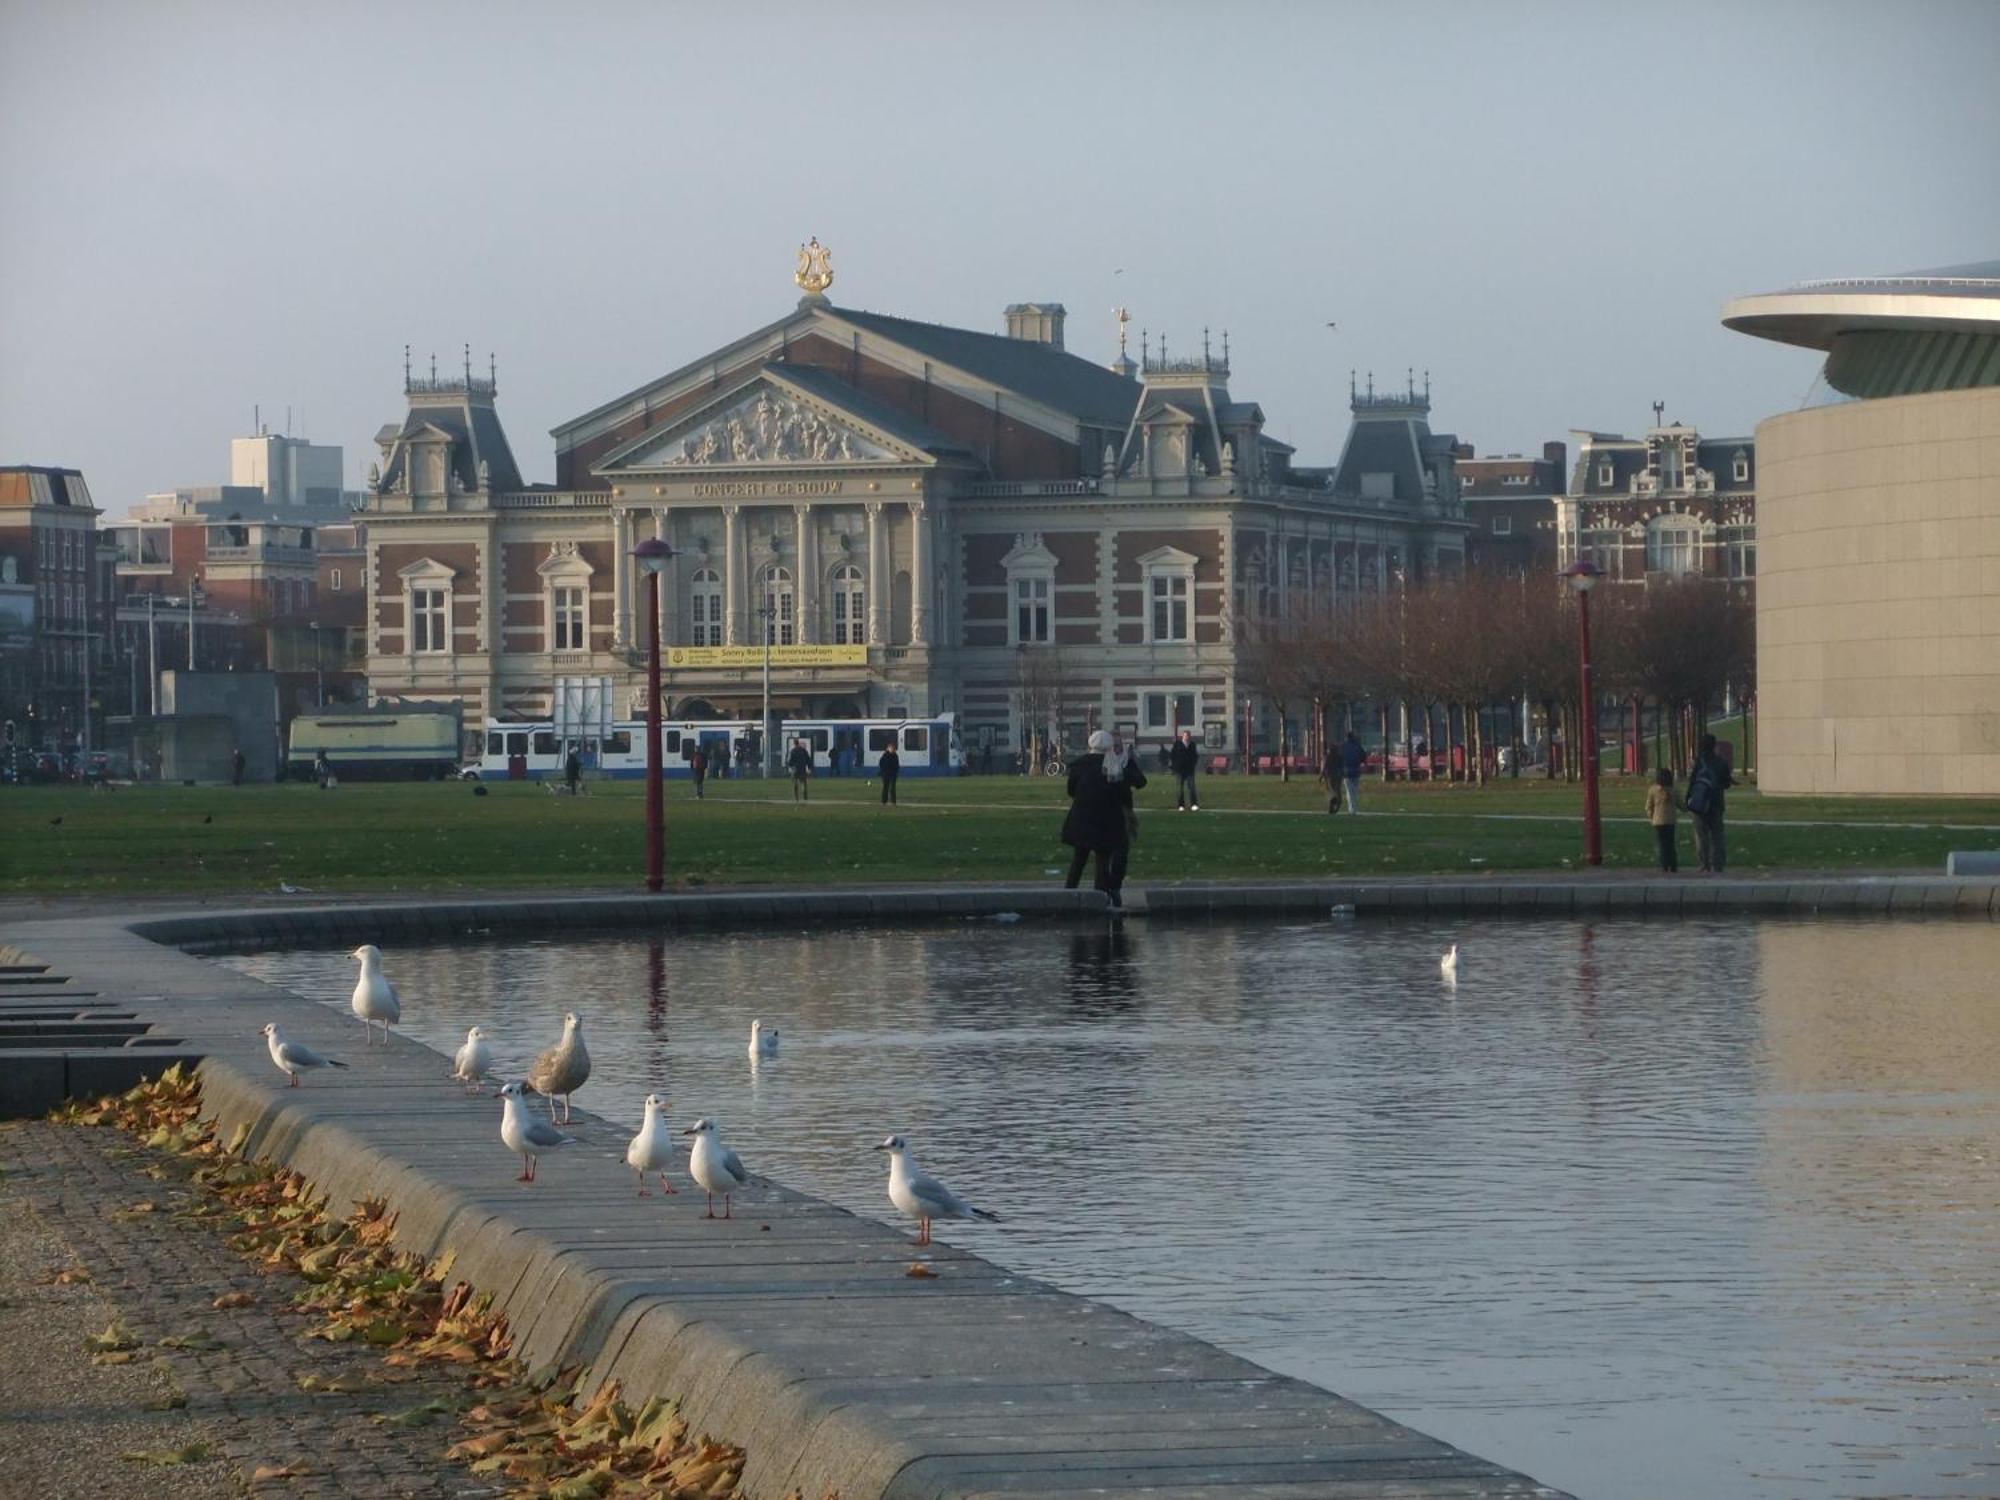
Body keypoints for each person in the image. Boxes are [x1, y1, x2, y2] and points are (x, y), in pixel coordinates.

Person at [1061, 729, 1147, 908]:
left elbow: (1071, 790)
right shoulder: (1112, 766)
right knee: (1102, 860)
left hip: (1081, 818)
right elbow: (1123, 792)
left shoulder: (1079, 766)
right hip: (1106, 820)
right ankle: (1101, 899)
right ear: (1109, 747)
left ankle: (1067, 897)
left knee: (1079, 859)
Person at [1685, 732, 1735, 874]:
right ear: (1714, 745)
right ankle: (1718, 864)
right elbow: (1726, 783)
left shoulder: (1699, 762)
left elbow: (1692, 782)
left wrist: (1688, 799)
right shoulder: (1721, 762)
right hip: (1716, 802)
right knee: (1717, 835)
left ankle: (1704, 863)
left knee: (1701, 835)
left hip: (1699, 803)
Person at [1646, 765, 1681, 873]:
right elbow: (1681, 804)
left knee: (1662, 843)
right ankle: (1673, 864)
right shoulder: (1673, 791)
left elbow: (1648, 806)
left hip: (1658, 821)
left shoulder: (1653, 790)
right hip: (1670, 820)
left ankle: (1664, 865)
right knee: (1670, 843)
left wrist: (1651, 817)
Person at [1168, 728, 1200, 811]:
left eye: (1188, 735)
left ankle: (1194, 804)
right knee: (1180, 788)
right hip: (1179, 770)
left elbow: (1195, 755)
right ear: (1182, 736)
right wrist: (1174, 766)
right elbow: (1172, 755)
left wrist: (1193, 764)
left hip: (1189, 770)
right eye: (1185, 735)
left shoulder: (1192, 745)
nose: (1187, 737)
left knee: (1192, 787)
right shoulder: (1177, 744)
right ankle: (1181, 805)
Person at [1339, 730, 1366, 814]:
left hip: (1346, 771)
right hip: (1356, 771)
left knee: (1349, 791)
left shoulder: (1343, 746)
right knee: (1354, 791)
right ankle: (1353, 807)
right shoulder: (1357, 745)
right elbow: (1363, 756)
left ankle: (1352, 809)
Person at [787, 737, 813, 802]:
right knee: (803, 784)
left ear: (794, 743)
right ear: (798, 742)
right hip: (802, 769)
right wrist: (809, 768)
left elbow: (790, 762)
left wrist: (791, 766)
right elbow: (808, 760)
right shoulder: (803, 750)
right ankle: (805, 798)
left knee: (795, 784)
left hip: (796, 770)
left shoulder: (793, 751)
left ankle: (796, 798)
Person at [1320, 741, 1342, 815]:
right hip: (1337, 776)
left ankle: (1332, 804)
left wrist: (1321, 776)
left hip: (1329, 776)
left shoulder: (1328, 756)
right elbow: (1341, 767)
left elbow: (1325, 767)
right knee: (1337, 791)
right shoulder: (1339, 756)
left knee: (1331, 791)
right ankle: (1335, 806)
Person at [878, 737, 901, 805]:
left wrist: (896, 772)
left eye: (893, 748)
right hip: (886, 774)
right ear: (888, 748)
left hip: (893, 774)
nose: (892, 749)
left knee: (892, 788)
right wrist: (883, 771)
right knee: (885, 788)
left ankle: (893, 801)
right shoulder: (885, 755)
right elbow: (881, 764)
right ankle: (884, 801)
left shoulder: (895, 756)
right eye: (891, 748)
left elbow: (897, 765)